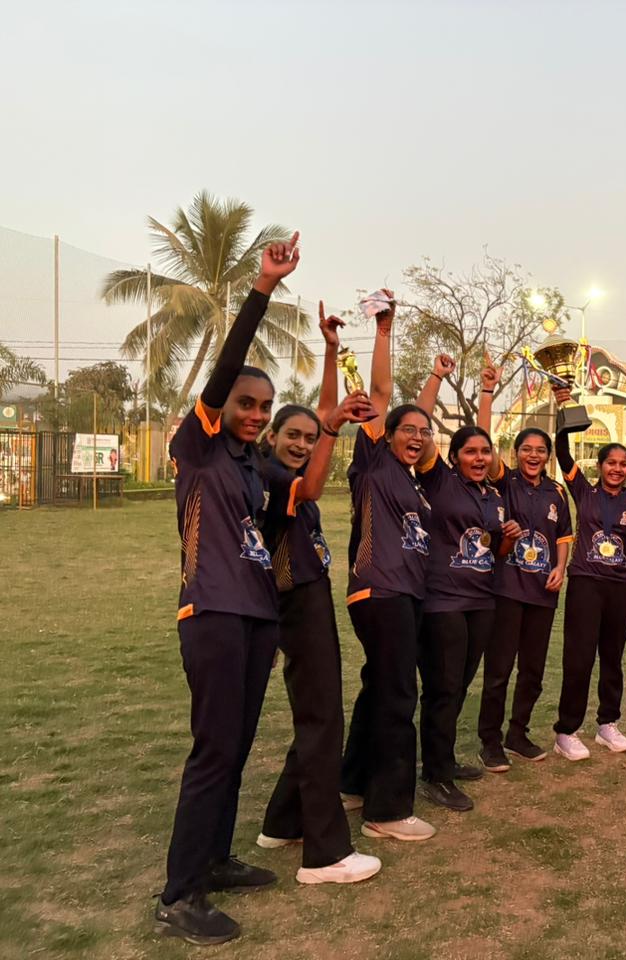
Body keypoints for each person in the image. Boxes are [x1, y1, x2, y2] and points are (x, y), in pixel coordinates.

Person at [155, 234, 308, 945]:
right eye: (246, 403)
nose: (255, 413)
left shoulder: (252, 467)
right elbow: (223, 370)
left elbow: (304, 480)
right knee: (214, 749)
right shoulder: (199, 447)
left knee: (237, 744)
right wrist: (263, 288)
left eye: (264, 406)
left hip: (256, 615)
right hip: (212, 611)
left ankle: (214, 859)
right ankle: (179, 895)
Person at [253, 299, 384, 886]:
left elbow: (327, 415)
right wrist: (331, 427)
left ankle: (282, 822)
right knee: (323, 719)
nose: (303, 443)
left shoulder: (283, 466)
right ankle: (326, 855)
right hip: (293, 601)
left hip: (308, 598)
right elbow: (310, 485)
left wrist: (330, 352)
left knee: (318, 715)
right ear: (272, 436)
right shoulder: (271, 476)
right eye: (293, 435)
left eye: (309, 436)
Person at [338, 304, 438, 845]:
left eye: (425, 432)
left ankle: (353, 782)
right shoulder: (375, 463)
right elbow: (381, 395)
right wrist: (383, 332)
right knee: (399, 695)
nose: (417, 436)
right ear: (385, 435)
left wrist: (433, 385)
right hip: (382, 591)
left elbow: (413, 416)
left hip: (403, 594)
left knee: (378, 687)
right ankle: (388, 810)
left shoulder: (410, 477)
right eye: (407, 431)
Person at [415, 353, 519, 812]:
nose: (480, 457)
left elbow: (495, 553)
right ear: (454, 457)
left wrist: (507, 539)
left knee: (459, 686)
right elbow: (419, 428)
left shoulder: (493, 495)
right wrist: (438, 377)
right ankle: (435, 775)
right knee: (442, 687)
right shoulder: (439, 481)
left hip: (482, 601)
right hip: (444, 601)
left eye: (485, 452)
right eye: (470, 452)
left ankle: (442, 759)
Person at [475, 356, 573, 770]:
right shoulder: (505, 480)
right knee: (499, 669)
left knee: (532, 670)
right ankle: (490, 740)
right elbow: (481, 441)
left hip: (542, 593)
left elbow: (564, 536)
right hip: (507, 590)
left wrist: (560, 568)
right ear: (515, 454)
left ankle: (518, 733)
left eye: (540, 451)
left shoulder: (556, 492)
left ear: (548, 456)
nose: (533, 455)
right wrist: (487, 392)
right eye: (527, 450)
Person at [550, 384, 626, 761]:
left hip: (621, 588)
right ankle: (566, 731)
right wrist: (563, 411)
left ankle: (608, 723)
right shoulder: (583, 491)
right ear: (600, 466)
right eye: (611, 463)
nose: (617, 469)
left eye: (623, 464)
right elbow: (562, 452)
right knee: (579, 658)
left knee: (612, 658)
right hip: (586, 585)